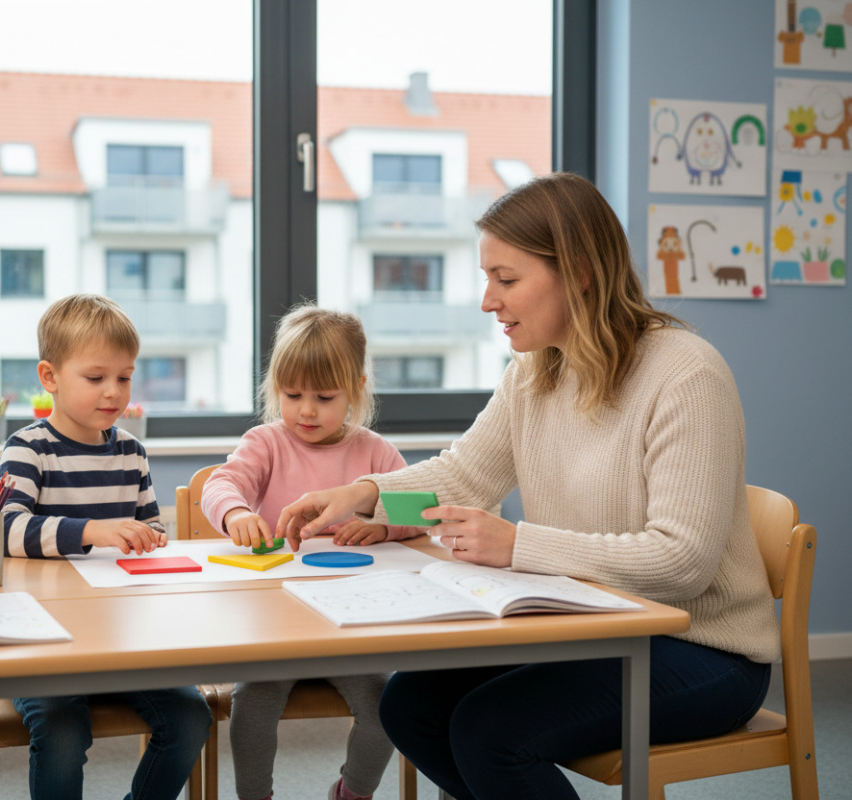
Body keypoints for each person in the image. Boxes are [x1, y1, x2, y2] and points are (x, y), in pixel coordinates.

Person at [275, 172, 780, 800]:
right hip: (591, 627)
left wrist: (519, 547)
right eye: (488, 279)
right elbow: (465, 475)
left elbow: (682, 563)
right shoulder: (536, 370)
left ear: (580, 271)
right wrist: (366, 492)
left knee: (493, 733)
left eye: (506, 280)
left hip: (702, 649)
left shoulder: (686, 376)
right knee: (410, 704)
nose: (489, 301)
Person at [200, 305, 420, 800]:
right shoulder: (267, 442)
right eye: (292, 394)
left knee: (388, 708)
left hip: (352, 632)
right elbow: (220, 485)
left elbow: (419, 510)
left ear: (356, 390)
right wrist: (236, 514)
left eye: (324, 397)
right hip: (278, 629)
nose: (305, 410)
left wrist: (383, 529)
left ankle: (352, 792)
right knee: (252, 709)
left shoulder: (375, 452)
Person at [0, 293, 212, 800]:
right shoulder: (29, 448)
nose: (113, 392)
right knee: (64, 729)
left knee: (190, 717)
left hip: (122, 640)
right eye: (96, 378)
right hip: (44, 642)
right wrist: (93, 531)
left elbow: (149, 532)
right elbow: (6, 530)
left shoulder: (131, 452)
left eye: (125, 377)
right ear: (49, 377)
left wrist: (150, 538)